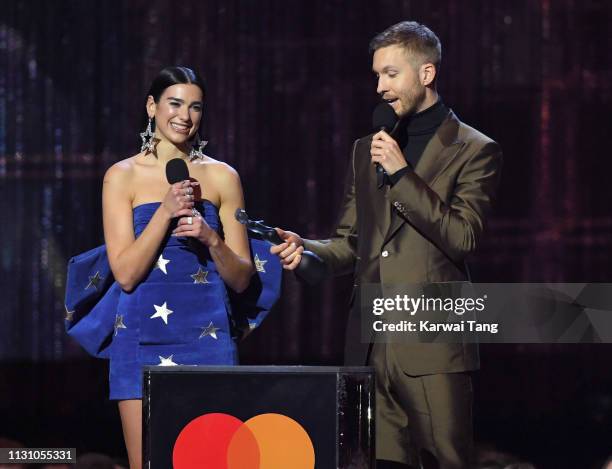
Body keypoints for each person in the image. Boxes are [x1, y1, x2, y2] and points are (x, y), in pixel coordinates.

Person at [271, 21, 502, 469]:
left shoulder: (475, 149)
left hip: (433, 344)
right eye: (377, 75)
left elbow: (463, 237)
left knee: (447, 460)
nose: (380, 87)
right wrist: (308, 251)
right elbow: (352, 243)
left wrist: (402, 176)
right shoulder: (367, 149)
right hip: (371, 345)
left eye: (391, 74)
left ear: (427, 74)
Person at [102, 66, 253, 469]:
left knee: (213, 461)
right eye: (174, 103)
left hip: (208, 336)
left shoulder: (223, 177)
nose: (185, 115)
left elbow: (241, 279)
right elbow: (126, 274)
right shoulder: (122, 176)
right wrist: (164, 212)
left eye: (195, 106)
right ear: (152, 106)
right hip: (141, 337)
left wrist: (210, 238)